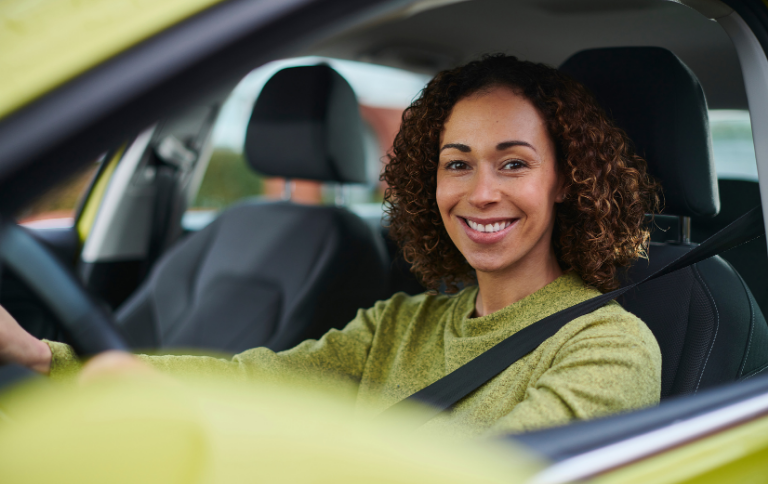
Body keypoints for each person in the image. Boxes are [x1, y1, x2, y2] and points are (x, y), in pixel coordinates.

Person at [0, 54, 661, 437]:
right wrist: (40, 358)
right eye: (457, 164)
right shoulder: (401, 323)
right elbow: (253, 382)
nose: (479, 192)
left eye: (513, 164)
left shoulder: (609, 347)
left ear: (568, 183)